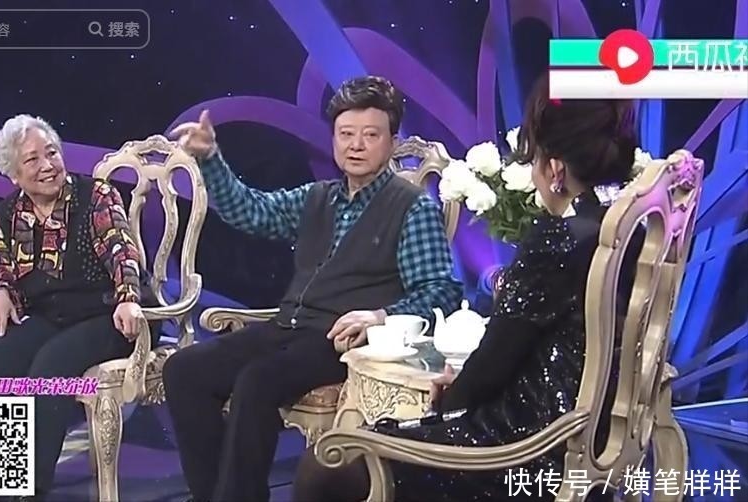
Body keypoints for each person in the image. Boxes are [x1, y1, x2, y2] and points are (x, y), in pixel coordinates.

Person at [292, 77, 642, 501]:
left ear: (554, 171)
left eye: (533, 158)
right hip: (595, 439)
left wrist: (451, 397)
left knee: (329, 463)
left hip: (529, 448)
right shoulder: (630, 229)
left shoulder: (560, 239)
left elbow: (491, 368)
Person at [163, 76, 463, 501]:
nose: (356, 145)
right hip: (287, 326)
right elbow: (252, 212)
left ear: (392, 142)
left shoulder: (411, 208)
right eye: (346, 134)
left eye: (370, 135)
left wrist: (380, 317)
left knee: (257, 381)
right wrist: (210, 159)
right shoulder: (317, 197)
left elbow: (440, 290)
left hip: (340, 341)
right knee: (184, 369)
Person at [0, 114, 156, 501]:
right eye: (32, 160)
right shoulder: (7, 215)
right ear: (14, 174)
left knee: (50, 366)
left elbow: (122, 251)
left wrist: (129, 297)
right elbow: (7, 273)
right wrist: (2, 291)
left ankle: (31, 491)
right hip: (55, 316)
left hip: (111, 313)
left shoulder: (96, 197)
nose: (47, 165)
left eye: (51, 153)